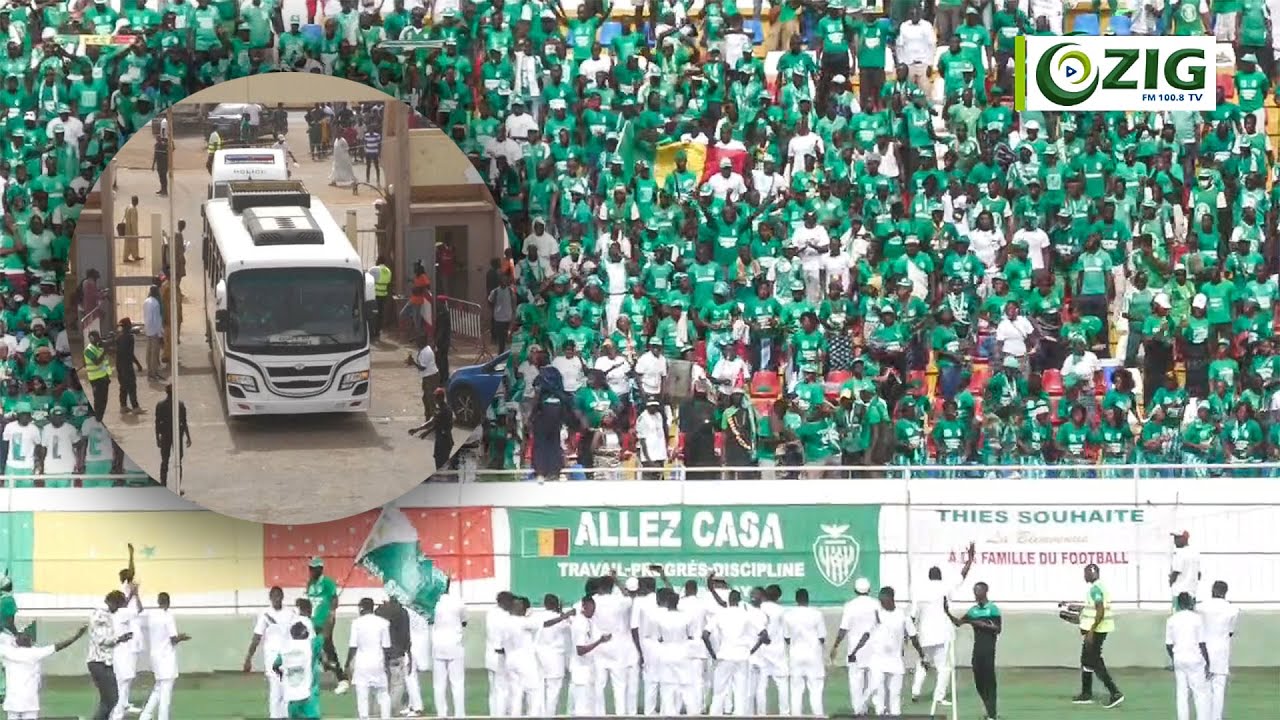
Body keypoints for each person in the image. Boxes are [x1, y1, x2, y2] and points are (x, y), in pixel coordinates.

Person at [911, 542, 975, 707]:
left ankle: (915, 691)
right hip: (941, 633)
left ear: (929, 576)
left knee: (922, 663)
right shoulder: (943, 586)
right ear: (939, 577)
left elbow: (912, 616)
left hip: (924, 634)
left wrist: (909, 635)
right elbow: (963, 574)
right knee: (944, 668)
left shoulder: (918, 590)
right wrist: (970, 559)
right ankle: (938, 697)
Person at [851, 586, 925, 717]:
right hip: (878, 661)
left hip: (895, 662)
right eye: (880, 600)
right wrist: (854, 651)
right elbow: (866, 635)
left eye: (883, 600)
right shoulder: (877, 614)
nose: (881, 603)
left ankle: (895, 715)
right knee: (877, 691)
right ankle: (873, 711)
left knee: (895, 695)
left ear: (891, 599)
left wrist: (922, 654)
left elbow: (913, 637)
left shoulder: (903, 616)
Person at [1063, 563, 1124, 708]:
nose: (1084, 576)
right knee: (1086, 660)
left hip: (1096, 631)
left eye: (1086, 573)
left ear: (1092, 573)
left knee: (1095, 661)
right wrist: (1073, 606)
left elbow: (1100, 610)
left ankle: (1115, 693)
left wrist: (1091, 631)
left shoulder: (1096, 589)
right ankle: (1086, 693)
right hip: (1097, 630)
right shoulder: (1098, 588)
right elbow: (1090, 608)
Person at [0, 624, 87, 720]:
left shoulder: (7, 652)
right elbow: (59, 646)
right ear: (31, 642)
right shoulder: (36, 653)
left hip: (13, 702)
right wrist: (77, 636)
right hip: (30, 701)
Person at [945, 580, 1002, 720]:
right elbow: (959, 622)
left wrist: (980, 624)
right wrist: (946, 612)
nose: (975, 593)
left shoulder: (992, 609)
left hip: (988, 650)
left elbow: (998, 629)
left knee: (989, 682)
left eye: (978, 590)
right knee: (979, 682)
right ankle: (988, 708)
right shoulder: (973, 610)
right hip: (977, 651)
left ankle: (992, 714)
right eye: (974, 591)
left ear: (985, 591)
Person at [703, 588, 765, 716]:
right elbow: (764, 635)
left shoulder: (720, 614)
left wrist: (713, 653)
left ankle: (715, 715)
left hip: (724, 656)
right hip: (742, 656)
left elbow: (705, 635)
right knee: (741, 692)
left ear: (729, 600)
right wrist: (751, 650)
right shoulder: (746, 614)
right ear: (739, 600)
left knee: (719, 692)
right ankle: (740, 715)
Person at [244, 586, 297, 719]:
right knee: (275, 689)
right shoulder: (265, 614)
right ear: (270, 598)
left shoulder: (290, 613)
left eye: (279, 596)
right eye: (274, 596)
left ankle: (286, 716)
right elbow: (257, 636)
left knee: (287, 688)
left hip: (287, 656)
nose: (276, 599)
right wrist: (248, 657)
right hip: (272, 657)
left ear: (282, 597)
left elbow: (296, 634)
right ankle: (275, 716)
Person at [138, 592, 191, 720]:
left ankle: (145, 716)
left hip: (155, 656)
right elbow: (173, 639)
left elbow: (140, 612)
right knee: (165, 692)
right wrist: (182, 637)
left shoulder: (152, 616)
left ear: (158, 601)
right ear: (168, 602)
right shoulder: (168, 616)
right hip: (166, 657)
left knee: (158, 688)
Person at [830, 577, 879, 716]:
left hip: (855, 650)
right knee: (874, 680)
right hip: (874, 648)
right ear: (869, 590)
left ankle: (858, 709)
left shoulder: (850, 606)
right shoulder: (876, 604)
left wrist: (835, 645)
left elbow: (843, 629)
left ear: (855, 590)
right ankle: (878, 706)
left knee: (855, 682)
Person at [87, 589, 136, 720]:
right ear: (113, 602)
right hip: (99, 662)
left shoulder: (104, 613)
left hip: (103, 662)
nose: (118, 610)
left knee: (109, 699)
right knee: (110, 699)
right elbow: (102, 640)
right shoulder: (101, 615)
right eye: (119, 606)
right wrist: (120, 639)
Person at [305, 558, 349, 694]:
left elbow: (334, 602)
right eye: (310, 568)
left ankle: (343, 680)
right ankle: (316, 676)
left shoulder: (328, 583)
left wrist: (330, 621)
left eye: (313, 568)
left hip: (324, 623)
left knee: (329, 651)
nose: (311, 571)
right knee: (312, 652)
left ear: (320, 569)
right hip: (311, 623)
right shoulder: (310, 584)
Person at [1166, 592, 1212, 720]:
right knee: (1200, 694)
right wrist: (1208, 662)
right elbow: (1202, 643)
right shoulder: (1197, 619)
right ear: (1191, 603)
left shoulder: (1171, 620)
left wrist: (1173, 658)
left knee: (1182, 694)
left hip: (1179, 660)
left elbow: (1168, 644)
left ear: (1178, 604)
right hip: (1195, 659)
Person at [344, 598, 391, 720]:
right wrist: (387, 666)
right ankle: (386, 717)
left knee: (362, 696)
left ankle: (364, 717)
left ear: (361, 608)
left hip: (362, 664)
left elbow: (353, 646)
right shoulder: (383, 623)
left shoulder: (356, 623)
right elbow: (386, 647)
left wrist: (347, 663)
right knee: (383, 695)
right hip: (378, 662)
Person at [1197, 581, 1238, 720]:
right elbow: (1230, 632)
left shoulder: (1200, 607)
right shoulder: (1233, 609)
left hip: (1203, 650)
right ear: (1225, 592)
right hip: (1221, 651)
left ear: (1212, 590)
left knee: (1203, 688)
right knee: (1219, 689)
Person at [782, 588, 826, 716]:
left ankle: (796, 716)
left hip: (796, 655)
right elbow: (822, 637)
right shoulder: (816, 614)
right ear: (807, 599)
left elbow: (787, 637)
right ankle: (818, 716)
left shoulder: (788, 615)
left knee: (796, 690)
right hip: (813, 655)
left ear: (796, 600)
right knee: (816, 689)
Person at [428, 581, 467, 717]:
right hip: (455, 645)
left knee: (439, 684)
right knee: (457, 683)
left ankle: (442, 714)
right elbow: (464, 621)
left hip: (438, 646)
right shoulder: (458, 602)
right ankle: (459, 715)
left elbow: (429, 620)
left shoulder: (432, 603)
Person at [568, 595, 611, 717]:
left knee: (589, 705)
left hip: (588, 669)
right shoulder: (579, 624)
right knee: (581, 706)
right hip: (580, 670)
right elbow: (580, 650)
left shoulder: (589, 621)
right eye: (591, 608)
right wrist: (599, 641)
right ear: (584, 607)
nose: (593, 611)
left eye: (594, 608)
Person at [273, 622, 320, 719]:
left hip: (291, 696)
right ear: (306, 633)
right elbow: (324, 635)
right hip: (308, 697)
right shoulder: (311, 645)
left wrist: (282, 674)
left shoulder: (285, 648)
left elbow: (275, 665)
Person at [372, 597, 410, 715]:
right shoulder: (402, 612)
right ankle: (392, 710)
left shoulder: (379, 611)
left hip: (381, 653)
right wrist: (406, 650)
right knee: (398, 684)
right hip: (396, 653)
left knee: (381, 685)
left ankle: (377, 710)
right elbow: (405, 634)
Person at [154, 385, 190, 487]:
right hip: (177, 435)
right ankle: (178, 486)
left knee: (164, 461)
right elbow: (184, 421)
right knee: (178, 462)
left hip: (165, 435)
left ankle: (163, 484)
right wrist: (188, 437)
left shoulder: (160, 405)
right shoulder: (180, 404)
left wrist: (157, 438)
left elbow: (157, 423)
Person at [115, 318, 144, 413]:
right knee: (131, 386)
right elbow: (130, 354)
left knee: (123, 386)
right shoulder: (130, 337)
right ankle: (135, 407)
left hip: (119, 365)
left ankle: (123, 406)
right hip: (127, 365)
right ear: (128, 326)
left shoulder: (118, 337)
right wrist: (138, 364)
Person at [82, 330, 112, 422]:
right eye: (96, 337)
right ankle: (97, 420)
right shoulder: (88, 350)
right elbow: (96, 362)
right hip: (95, 379)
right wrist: (105, 351)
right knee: (98, 401)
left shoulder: (99, 347)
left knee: (104, 400)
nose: (99, 339)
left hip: (104, 377)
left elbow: (105, 362)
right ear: (91, 338)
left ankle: (99, 418)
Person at [408, 339, 439, 422]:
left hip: (431, 378)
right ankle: (428, 417)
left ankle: (433, 420)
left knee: (431, 399)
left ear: (421, 342)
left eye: (417, 341)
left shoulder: (426, 352)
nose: (415, 343)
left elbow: (422, 367)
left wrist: (413, 363)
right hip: (428, 377)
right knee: (426, 398)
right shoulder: (423, 350)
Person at [1171, 530, 1202, 605]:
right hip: (1192, 592)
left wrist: (1171, 581)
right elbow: (1199, 575)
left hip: (1179, 593)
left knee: (1179, 616)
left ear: (1184, 539)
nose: (1175, 541)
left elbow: (1176, 572)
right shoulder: (1195, 553)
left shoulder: (1180, 554)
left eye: (1177, 538)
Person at [142, 285, 164, 381]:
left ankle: (149, 372)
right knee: (154, 354)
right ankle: (153, 373)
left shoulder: (146, 301)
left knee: (148, 352)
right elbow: (157, 320)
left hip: (148, 330)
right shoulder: (156, 303)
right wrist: (160, 333)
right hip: (154, 331)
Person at [369, 256, 391, 343]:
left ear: (378, 261)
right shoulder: (388, 271)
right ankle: (377, 332)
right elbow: (388, 284)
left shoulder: (374, 269)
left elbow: (368, 280)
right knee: (380, 314)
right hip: (383, 295)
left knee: (373, 313)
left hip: (375, 295)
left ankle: (372, 332)